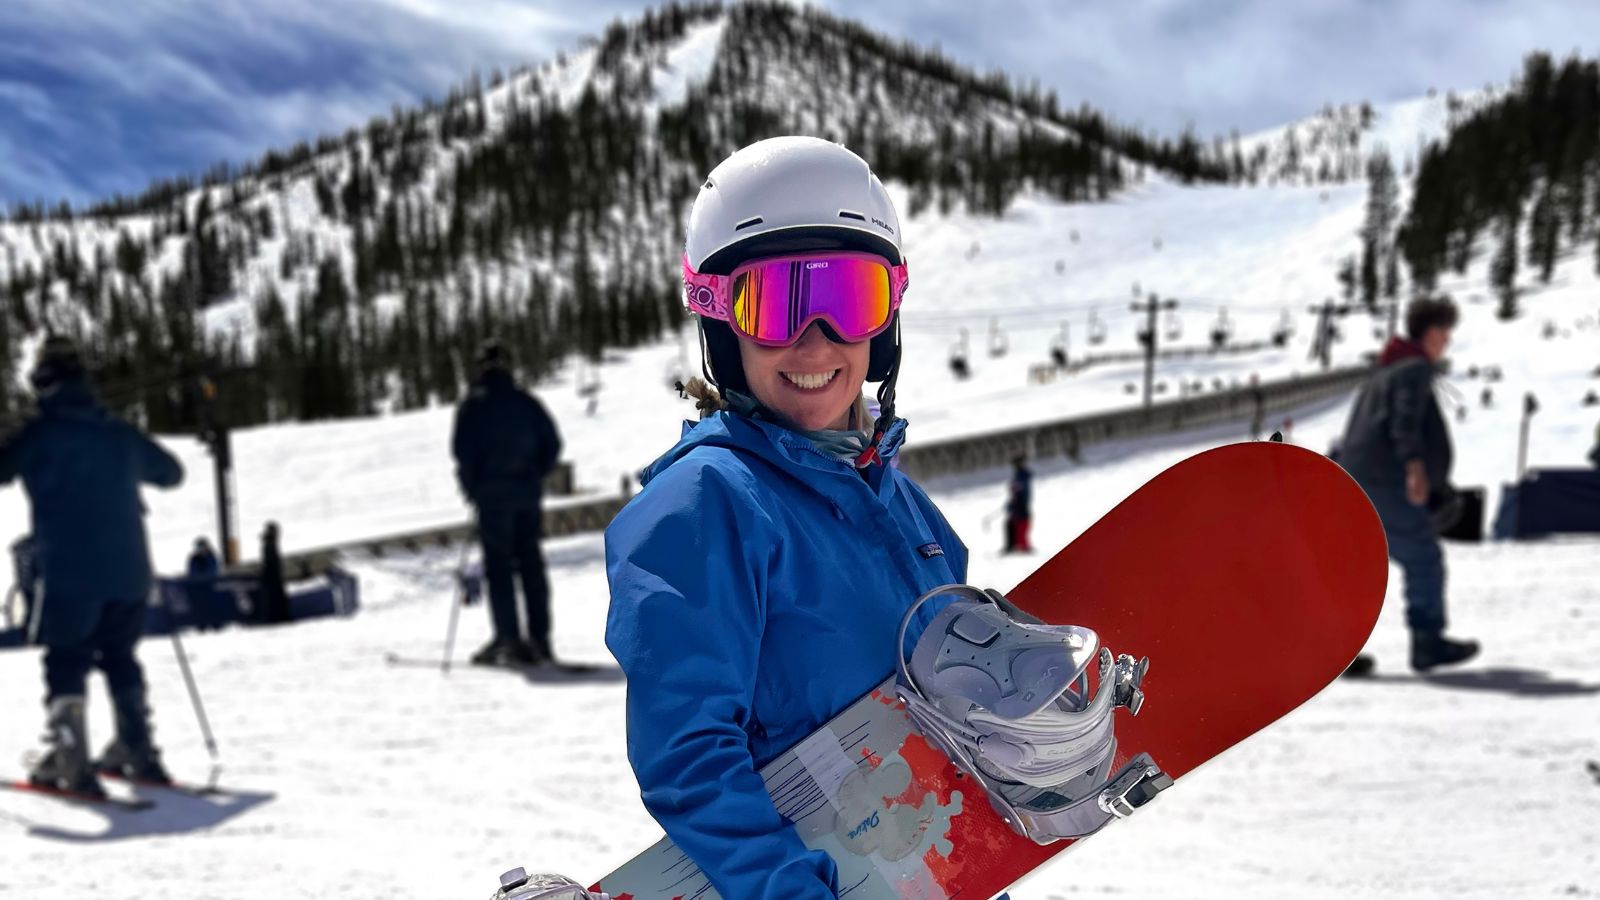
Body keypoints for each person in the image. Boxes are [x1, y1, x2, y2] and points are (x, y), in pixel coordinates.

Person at [604, 137, 973, 899]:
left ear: (885, 325)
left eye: (850, 301)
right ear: (720, 327)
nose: (816, 342)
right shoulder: (703, 504)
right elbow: (687, 755)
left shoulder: (905, 505)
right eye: (773, 306)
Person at [0, 336, 184, 793]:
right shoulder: (117, 431)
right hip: (131, 573)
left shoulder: (39, 434)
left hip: (70, 573)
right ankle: (136, 749)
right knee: (120, 656)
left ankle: (70, 757)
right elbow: (172, 473)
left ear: (43, 382)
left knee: (67, 658)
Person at [1336, 297, 1479, 675]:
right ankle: (1427, 643)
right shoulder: (1413, 370)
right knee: (1423, 557)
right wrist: (1415, 466)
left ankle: (1337, 652)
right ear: (1432, 333)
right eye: (1445, 334)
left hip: (1357, 482)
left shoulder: (1382, 373)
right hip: (1387, 482)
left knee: (1359, 565)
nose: (1446, 342)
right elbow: (1404, 421)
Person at [451, 339, 563, 667]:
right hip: (526, 493)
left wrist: (473, 489)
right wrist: (535, 475)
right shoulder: (526, 403)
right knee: (530, 564)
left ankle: (509, 639)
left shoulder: (473, 406)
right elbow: (552, 444)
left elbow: (463, 455)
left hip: (491, 497)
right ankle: (539, 640)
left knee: (499, 567)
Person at [258, 521, 290, 624]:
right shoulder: (270, 543)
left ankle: (277, 616)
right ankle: (278, 616)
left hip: (272, 574)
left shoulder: (270, 542)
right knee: (275, 596)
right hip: (273, 574)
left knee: (274, 596)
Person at [1004, 454, 1034, 554]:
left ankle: (1021, 545)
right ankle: (1012, 545)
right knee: (1010, 523)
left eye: (1017, 463)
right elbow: (1015, 490)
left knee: (1019, 523)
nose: (1015, 465)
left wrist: (1015, 487)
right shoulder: (1018, 474)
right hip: (1017, 502)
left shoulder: (1023, 474)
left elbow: (1021, 488)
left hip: (1022, 503)